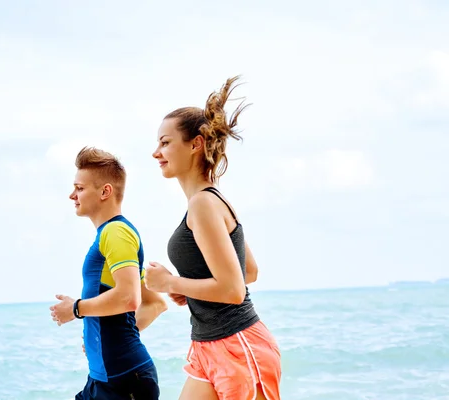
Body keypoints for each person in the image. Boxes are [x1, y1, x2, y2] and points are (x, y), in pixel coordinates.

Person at [145, 76, 282, 400]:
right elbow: (248, 271)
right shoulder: (206, 201)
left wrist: (171, 284)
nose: (156, 152)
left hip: (239, 346)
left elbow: (234, 289)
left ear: (196, 144)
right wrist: (192, 288)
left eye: (165, 142)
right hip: (208, 347)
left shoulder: (205, 203)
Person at [50, 146, 167, 400]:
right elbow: (155, 303)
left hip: (124, 381)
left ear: (105, 191)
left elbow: (129, 298)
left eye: (80, 188)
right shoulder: (110, 234)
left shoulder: (116, 233)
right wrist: (103, 341)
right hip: (105, 378)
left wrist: (76, 309)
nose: (72, 195)